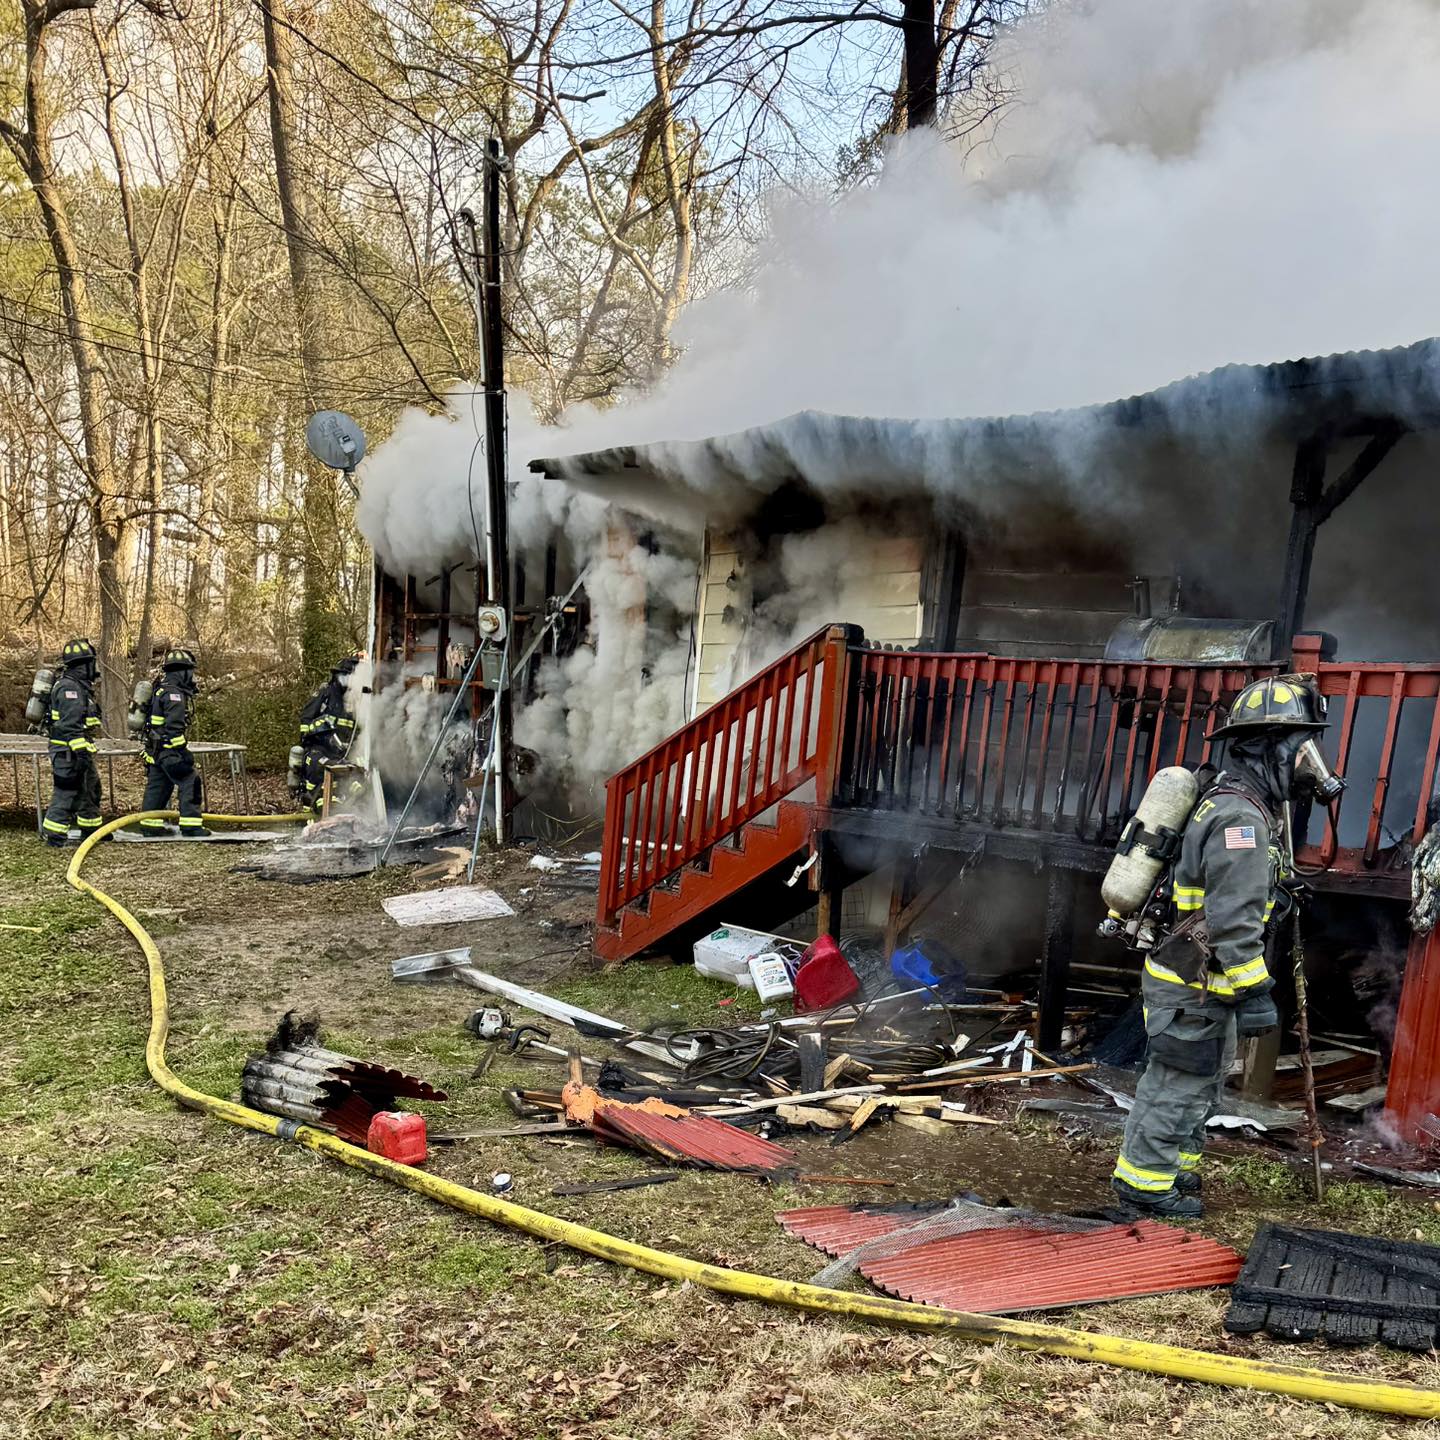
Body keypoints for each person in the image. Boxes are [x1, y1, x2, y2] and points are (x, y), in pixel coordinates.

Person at [1111, 675, 1341, 1218]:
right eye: (1298, 747)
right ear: (1264, 748)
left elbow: (1229, 890)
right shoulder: (1240, 817)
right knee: (1179, 1082)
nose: (1308, 762)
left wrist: (1278, 891)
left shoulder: (1227, 799)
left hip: (1192, 974)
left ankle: (1173, 1169)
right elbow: (1232, 918)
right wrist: (1254, 987)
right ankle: (1143, 1188)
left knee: (1198, 1080)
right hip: (1197, 981)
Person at [138, 648, 208, 838]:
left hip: (155, 751)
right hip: (169, 751)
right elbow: (174, 728)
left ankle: (149, 825)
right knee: (190, 779)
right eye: (190, 672)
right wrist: (183, 752)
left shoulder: (160, 688)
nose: (192, 677)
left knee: (159, 785)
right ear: (183, 672)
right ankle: (191, 826)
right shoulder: (175, 695)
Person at [41, 638, 105, 847]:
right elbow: (70, 726)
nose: (94, 668)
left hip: (78, 750)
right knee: (66, 790)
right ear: (84, 665)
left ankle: (91, 830)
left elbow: (85, 722)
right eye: (91, 663)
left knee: (90, 789)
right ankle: (55, 835)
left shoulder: (78, 686)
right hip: (68, 751)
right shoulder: (70, 689)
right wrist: (81, 752)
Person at [296, 653, 361, 818]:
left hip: (341, 753)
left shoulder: (355, 700)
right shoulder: (326, 693)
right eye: (345, 676)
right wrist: (323, 732)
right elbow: (305, 723)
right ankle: (315, 808)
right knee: (321, 769)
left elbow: (357, 731)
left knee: (357, 777)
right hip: (318, 749)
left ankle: (340, 810)